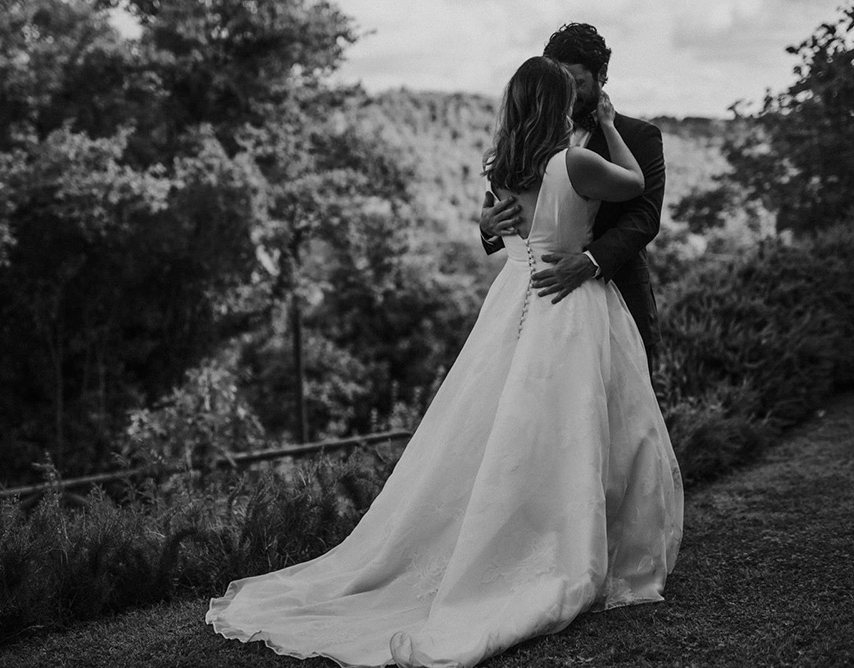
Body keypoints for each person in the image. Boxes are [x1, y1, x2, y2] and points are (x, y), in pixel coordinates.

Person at [206, 55, 683, 668]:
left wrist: (508, 219)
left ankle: (539, 536)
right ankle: (561, 546)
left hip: (520, 296)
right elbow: (633, 187)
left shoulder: (502, 162)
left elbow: (572, 221)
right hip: (568, 306)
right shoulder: (580, 158)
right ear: (559, 102)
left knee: (520, 429)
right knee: (563, 428)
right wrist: (608, 127)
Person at [480, 23, 665, 372]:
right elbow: (520, 220)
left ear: (602, 75)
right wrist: (489, 227)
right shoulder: (517, 152)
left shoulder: (640, 137)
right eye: (561, 83)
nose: (570, 93)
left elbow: (646, 217)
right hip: (537, 304)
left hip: (618, 292)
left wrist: (591, 261)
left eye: (577, 83)